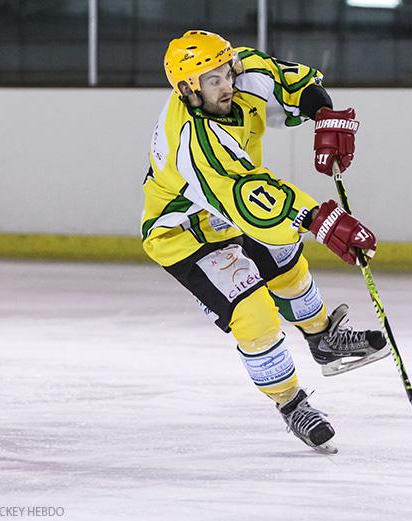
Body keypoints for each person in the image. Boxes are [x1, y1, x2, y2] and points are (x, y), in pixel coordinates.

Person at [141, 30, 390, 454]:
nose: (227, 85)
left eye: (227, 73)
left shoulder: (239, 73)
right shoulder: (190, 143)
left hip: (234, 210)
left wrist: (323, 114)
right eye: (214, 81)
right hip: (185, 233)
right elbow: (249, 198)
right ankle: (291, 403)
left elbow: (289, 82)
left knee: (287, 265)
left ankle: (323, 338)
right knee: (254, 314)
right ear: (187, 90)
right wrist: (320, 220)